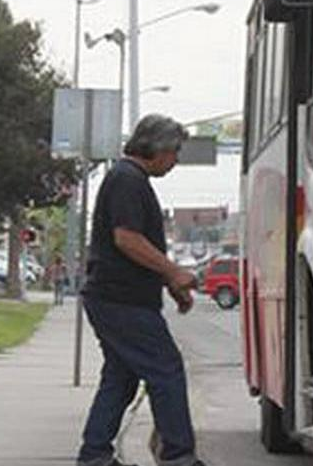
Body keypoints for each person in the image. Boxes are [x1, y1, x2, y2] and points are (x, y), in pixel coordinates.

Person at [78, 115, 205, 466]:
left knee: (121, 377)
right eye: (175, 152)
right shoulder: (127, 180)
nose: (176, 160)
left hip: (117, 297)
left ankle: (95, 454)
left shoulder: (130, 180)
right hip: (121, 300)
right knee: (166, 370)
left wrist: (171, 283)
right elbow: (127, 239)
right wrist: (174, 270)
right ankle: (179, 455)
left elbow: (141, 245)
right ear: (157, 148)